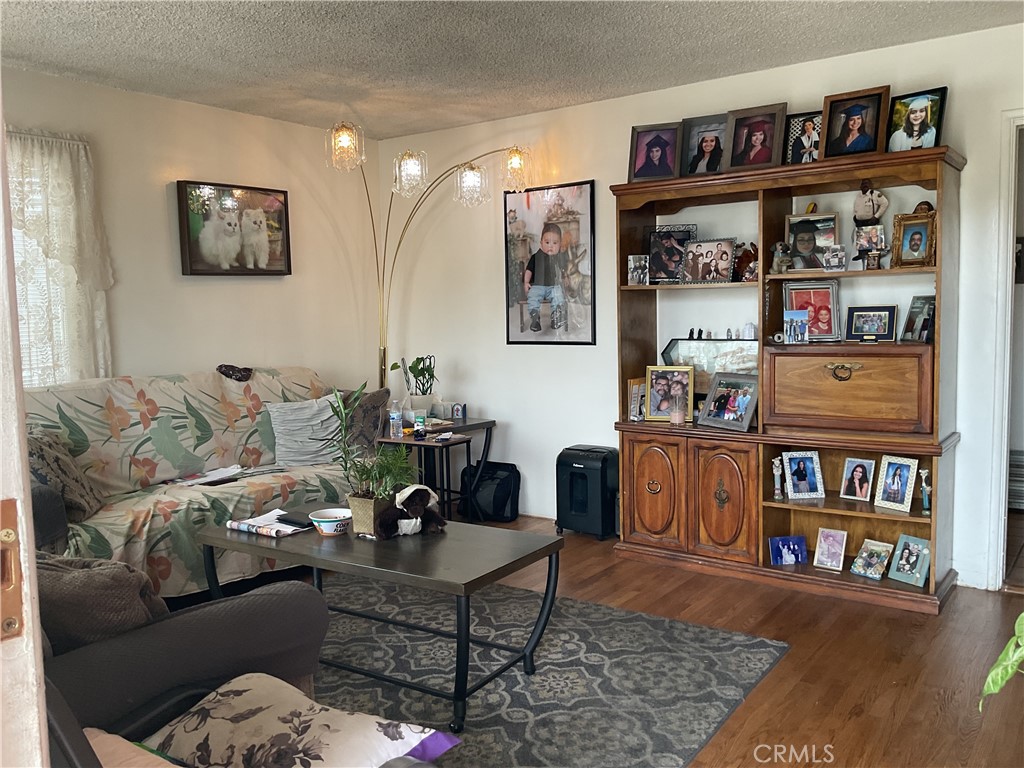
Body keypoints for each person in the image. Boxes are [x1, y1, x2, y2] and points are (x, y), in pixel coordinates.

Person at [523, 222, 567, 332]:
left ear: (560, 245)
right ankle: (535, 316)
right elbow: (529, 270)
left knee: (558, 295)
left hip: (553, 286)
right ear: (541, 243)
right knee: (533, 296)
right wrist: (526, 282)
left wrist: (565, 278)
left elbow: (563, 271)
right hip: (537, 285)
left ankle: (556, 315)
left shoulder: (558, 258)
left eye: (555, 243)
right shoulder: (536, 257)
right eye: (547, 242)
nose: (550, 246)